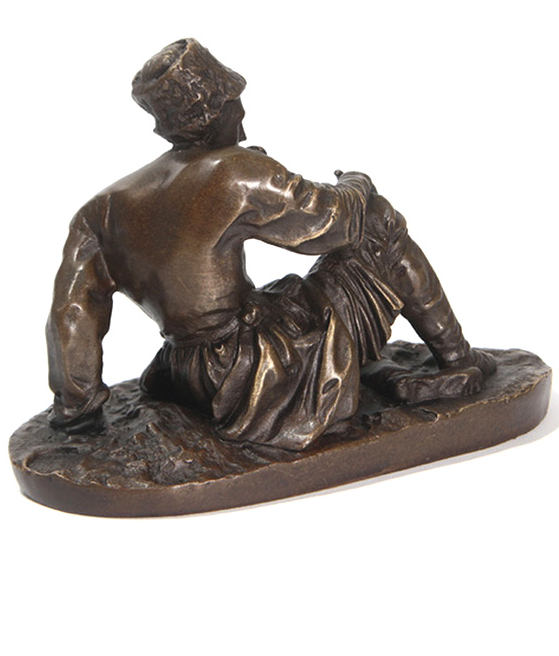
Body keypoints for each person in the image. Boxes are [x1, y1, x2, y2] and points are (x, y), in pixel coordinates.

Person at [46, 39, 495, 450]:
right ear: (218, 107)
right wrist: (358, 183)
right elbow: (335, 223)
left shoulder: (103, 208)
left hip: (180, 375)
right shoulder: (234, 173)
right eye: (235, 105)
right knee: (377, 220)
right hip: (254, 376)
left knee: (297, 291)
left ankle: (381, 369)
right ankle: (458, 359)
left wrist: (76, 411)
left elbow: (71, 315)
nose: (242, 126)